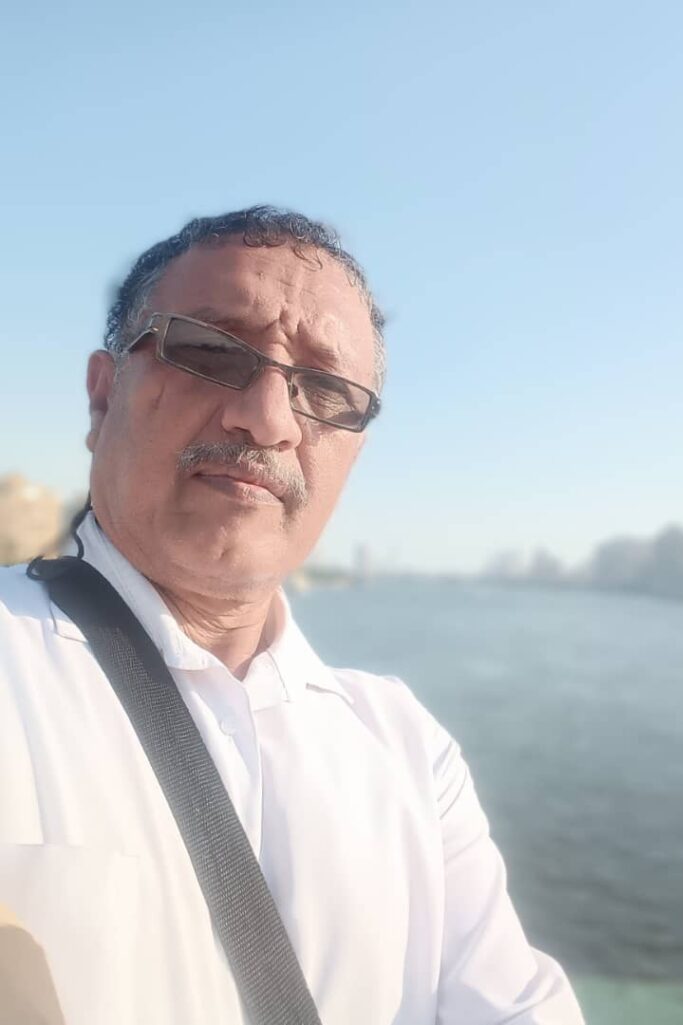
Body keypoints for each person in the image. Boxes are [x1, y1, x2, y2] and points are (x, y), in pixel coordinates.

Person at [0, 206, 584, 1025]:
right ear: (103, 397)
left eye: (327, 391)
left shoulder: (409, 753)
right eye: (208, 350)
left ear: (353, 454)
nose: (267, 418)